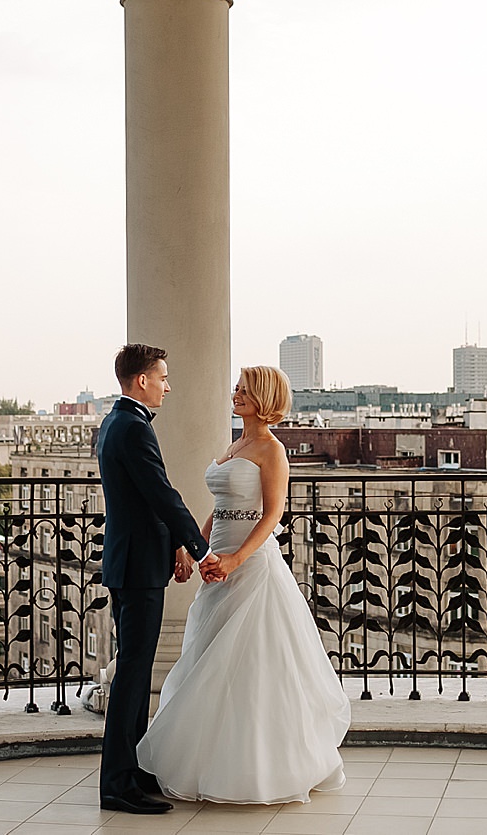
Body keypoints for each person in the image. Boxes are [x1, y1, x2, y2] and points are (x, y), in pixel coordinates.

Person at [137, 365, 351, 804]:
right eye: (235, 388)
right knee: (208, 657)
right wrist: (191, 547)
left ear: (265, 398)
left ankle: (260, 768)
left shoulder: (273, 450)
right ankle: (207, 760)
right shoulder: (237, 443)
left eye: (244, 390)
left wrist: (235, 558)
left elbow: (272, 515)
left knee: (253, 664)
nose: (235, 395)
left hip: (250, 565)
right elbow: (223, 508)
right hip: (217, 562)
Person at [95, 343, 219, 815]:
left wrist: (175, 547)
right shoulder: (131, 427)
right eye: (163, 377)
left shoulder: (117, 422)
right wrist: (200, 549)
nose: (168, 386)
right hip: (135, 567)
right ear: (142, 380)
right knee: (131, 674)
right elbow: (163, 497)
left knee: (136, 669)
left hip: (134, 561)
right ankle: (117, 783)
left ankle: (131, 768)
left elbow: (147, 499)